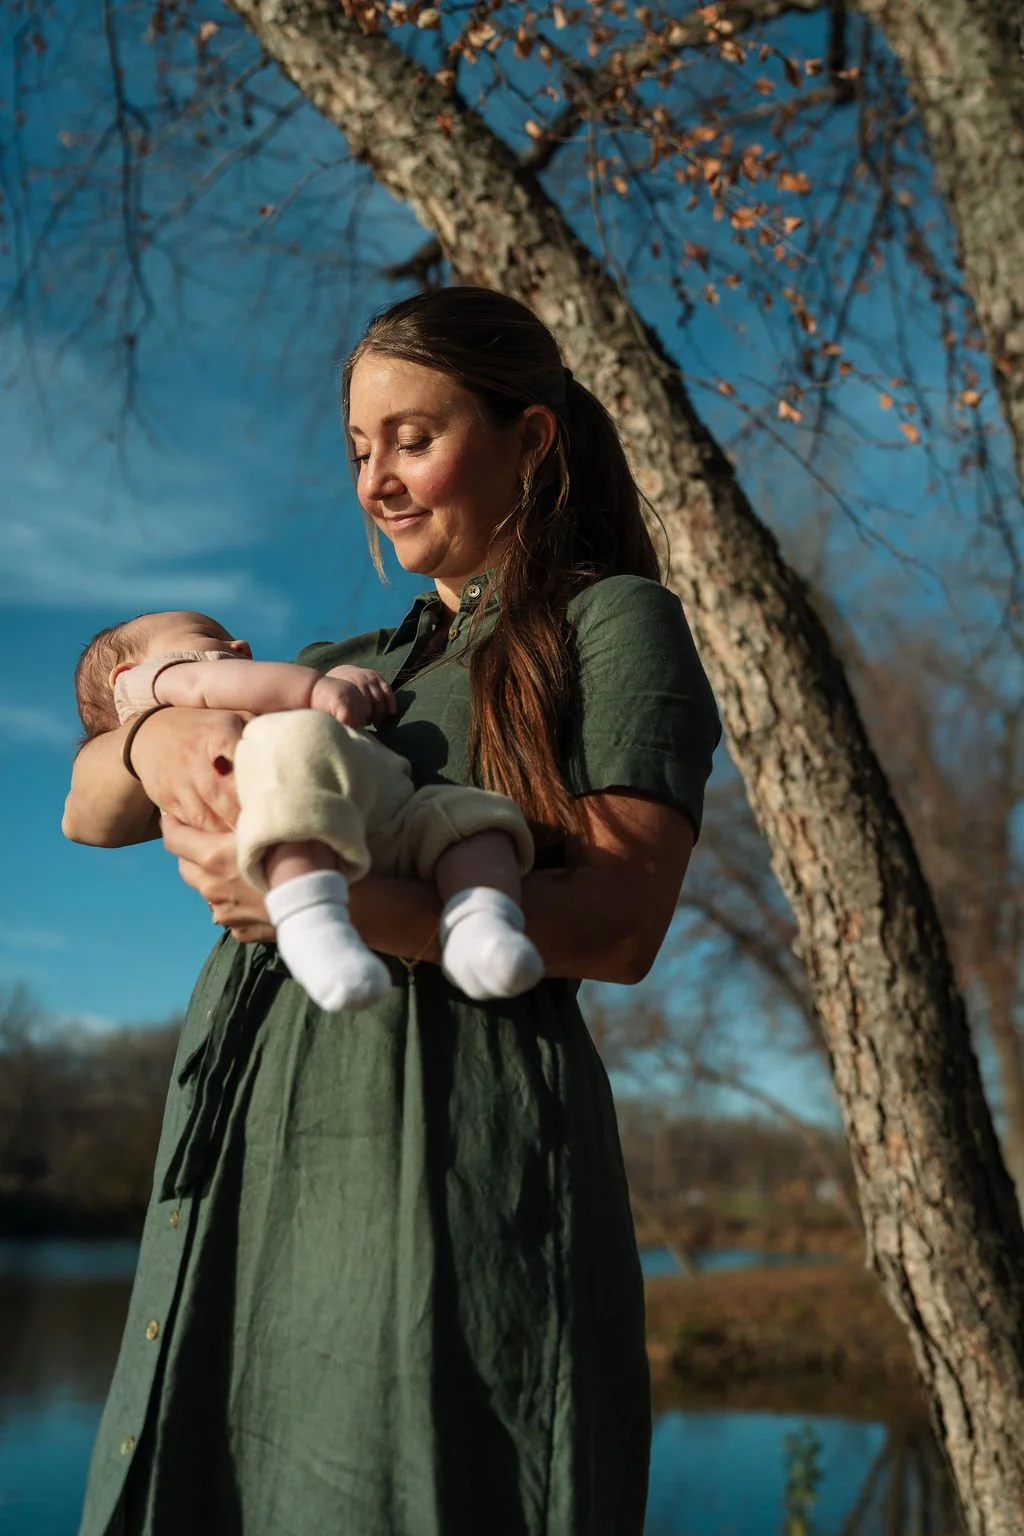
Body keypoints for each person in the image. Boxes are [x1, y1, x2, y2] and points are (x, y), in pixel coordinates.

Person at [64, 286, 721, 1536]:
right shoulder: (348, 659)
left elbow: (624, 920)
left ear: (531, 439)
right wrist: (153, 734)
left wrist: (349, 902)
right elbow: (86, 808)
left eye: (412, 439)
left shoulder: (613, 621)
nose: (378, 479)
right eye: (362, 451)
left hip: (442, 1136)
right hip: (257, 1130)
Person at [74, 608, 541, 1008]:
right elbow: (227, 682)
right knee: (293, 768)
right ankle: (309, 919)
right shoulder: (155, 684)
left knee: (476, 819)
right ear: (126, 678)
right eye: (208, 636)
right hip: (308, 817)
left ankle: (480, 923)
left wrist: (334, 681)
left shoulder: (260, 695)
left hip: (384, 813)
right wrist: (318, 690)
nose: (239, 643)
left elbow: (274, 691)